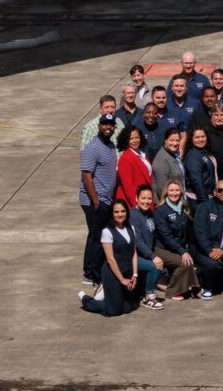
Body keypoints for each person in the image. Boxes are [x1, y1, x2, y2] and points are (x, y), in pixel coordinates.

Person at [78, 113, 121, 288]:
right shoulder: (92, 147)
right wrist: (96, 201)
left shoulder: (110, 145)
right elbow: (87, 176)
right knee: (97, 239)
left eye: (111, 125)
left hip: (106, 199)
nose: (108, 127)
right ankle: (93, 275)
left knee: (95, 236)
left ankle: (90, 271)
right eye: (105, 124)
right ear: (99, 126)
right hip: (94, 201)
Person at [80, 199, 138, 316]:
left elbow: (134, 253)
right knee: (113, 311)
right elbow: (111, 260)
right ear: (112, 214)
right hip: (112, 274)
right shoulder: (107, 232)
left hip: (127, 272)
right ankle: (87, 299)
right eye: (116, 212)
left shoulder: (131, 228)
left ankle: (108, 296)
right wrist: (122, 280)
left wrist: (135, 275)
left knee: (128, 307)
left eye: (123, 211)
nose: (120, 214)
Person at [152, 179, 204, 302]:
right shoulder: (160, 210)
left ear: (181, 191)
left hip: (176, 248)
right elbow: (166, 236)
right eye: (171, 190)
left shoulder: (184, 208)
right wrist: (182, 251)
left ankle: (185, 286)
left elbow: (189, 233)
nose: (174, 193)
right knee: (185, 262)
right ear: (166, 192)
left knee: (190, 260)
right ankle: (172, 289)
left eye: (177, 190)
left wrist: (189, 250)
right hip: (161, 248)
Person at [151, 124, 188, 203]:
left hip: (179, 200)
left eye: (177, 140)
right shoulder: (162, 160)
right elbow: (162, 189)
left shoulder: (173, 154)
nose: (175, 143)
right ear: (165, 140)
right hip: (169, 204)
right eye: (171, 140)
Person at [183, 125, 219, 204]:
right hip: (197, 199)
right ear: (191, 139)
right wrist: (205, 202)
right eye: (197, 137)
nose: (200, 139)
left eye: (203, 136)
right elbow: (197, 182)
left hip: (208, 196)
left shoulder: (203, 152)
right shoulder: (193, 156)